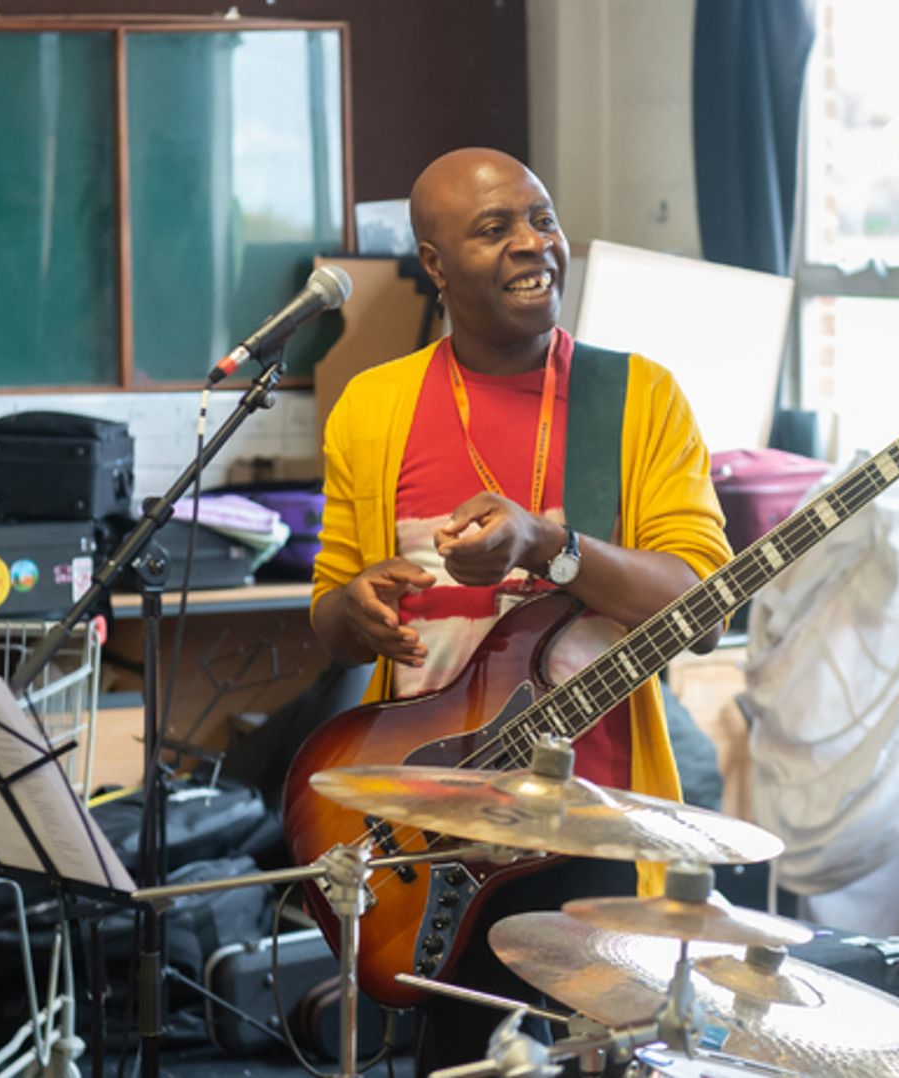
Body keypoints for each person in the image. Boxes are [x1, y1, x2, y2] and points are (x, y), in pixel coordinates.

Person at [309, 147, 732, 1073]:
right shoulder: (372, 409)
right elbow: (328, 621)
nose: (533, 244)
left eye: (541, 218)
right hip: (435, 834)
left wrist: (553, 545)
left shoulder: (638, 399)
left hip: (601, 824)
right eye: (495, 228)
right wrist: (358, 605)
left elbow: (704, 607)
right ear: (434, 262)